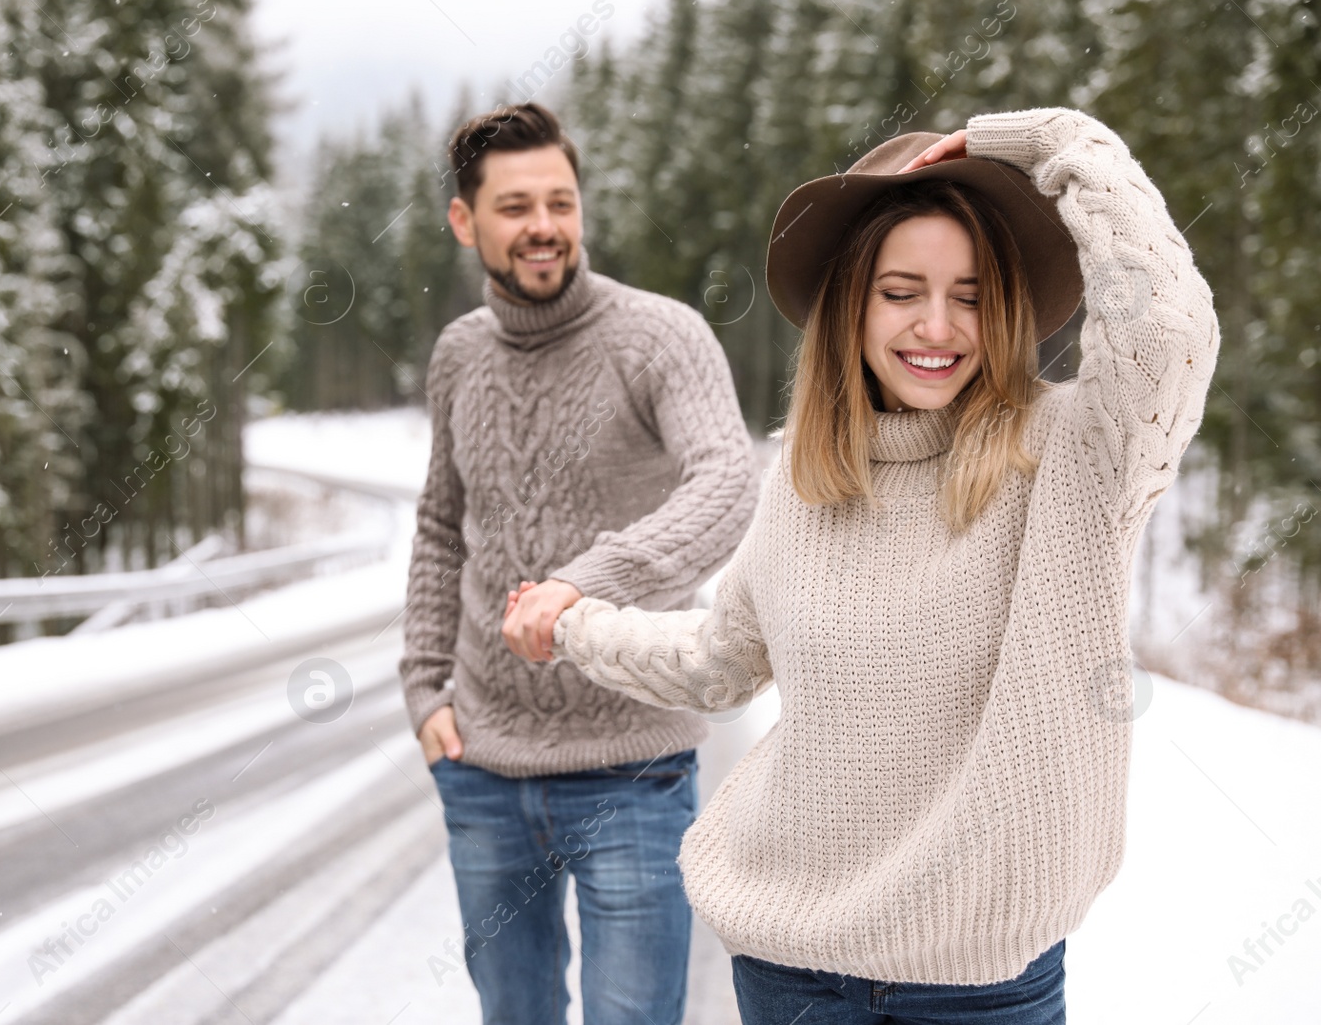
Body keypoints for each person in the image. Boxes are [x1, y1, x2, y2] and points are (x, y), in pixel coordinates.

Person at [511, 106, 1220, 1023]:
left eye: (969, 293)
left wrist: (1053, 141)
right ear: (853, 304)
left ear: (1001, 305)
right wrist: (576, 619)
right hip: (788, 966)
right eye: (901, 290)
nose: (938, 324)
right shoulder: (801, 485)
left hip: (981, 984)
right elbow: (718, 662)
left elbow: (1172, 332)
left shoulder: (1076, 450)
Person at [398, 101, 760, 1025]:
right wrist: (424, 691)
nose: (544, 226)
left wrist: (584, 586)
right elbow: (442, 524)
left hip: (633, 768)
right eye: (515, 206)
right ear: (464, 221)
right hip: (482, 765)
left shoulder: (660, 337)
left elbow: (729, 483)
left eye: (561, 201)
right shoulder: (458, 357)